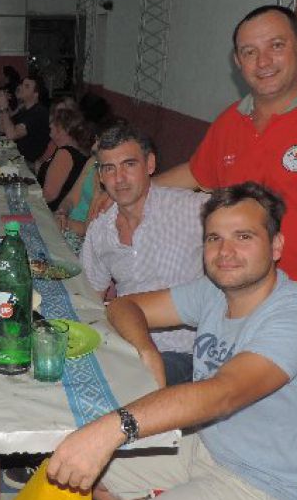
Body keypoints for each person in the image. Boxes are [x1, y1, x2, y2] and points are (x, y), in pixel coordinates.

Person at [92, 5, 297, 379]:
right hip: (236, 293)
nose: (263, 61)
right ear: (237, 61)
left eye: (276, 46)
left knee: (283, 414)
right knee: (228, 403)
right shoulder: (231, 122)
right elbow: (195, 172)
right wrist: (128, 189)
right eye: (250, 52)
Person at [48, 181, 297, 500]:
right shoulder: (215, 292)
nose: (226, 252)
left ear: (277, 246)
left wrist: (112, 428)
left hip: (268, 486)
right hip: (211, 444)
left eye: (244, 236)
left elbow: (222, 393)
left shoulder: (295, 317)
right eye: (214, 238)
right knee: (76, 468)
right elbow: (123, 306)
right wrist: (148, 349)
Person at [80, 124, 209, 387]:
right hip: (125, 346)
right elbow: (90, 297)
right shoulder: (101, 229)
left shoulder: (191, 209)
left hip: (183, 354)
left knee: (121, 389)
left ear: (150, 164)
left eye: (129, 164)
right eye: (109, 169)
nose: (120, 179)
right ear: (101, 177)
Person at [37, 106, 91, 212]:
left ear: (61, 129)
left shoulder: (65, 154)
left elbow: (49, 196)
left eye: (53, 122)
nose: (50, 125)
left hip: (51, 213)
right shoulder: (77, 150)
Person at [0, 74, 50, 164]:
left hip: (29, 164)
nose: (21, 88)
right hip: (17, 157)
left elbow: (12, 135)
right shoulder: (25, 109)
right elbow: (3, 128)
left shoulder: (38, 112)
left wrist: (4, 108)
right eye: (22, 85)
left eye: (26, 86)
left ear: (36, 94)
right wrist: (0, 104)